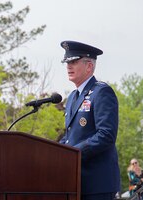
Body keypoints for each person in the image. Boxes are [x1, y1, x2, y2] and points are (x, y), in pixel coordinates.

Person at [58, 40, 120, 200]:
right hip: (75, 182)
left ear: (89, 66)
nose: (68, 66)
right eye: (67, 62)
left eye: (74, 61)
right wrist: (54, 153)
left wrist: (74, 153)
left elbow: (106, 135)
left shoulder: (102, 92)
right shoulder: (72, 97)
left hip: (97, 183)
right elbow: (70, 136)